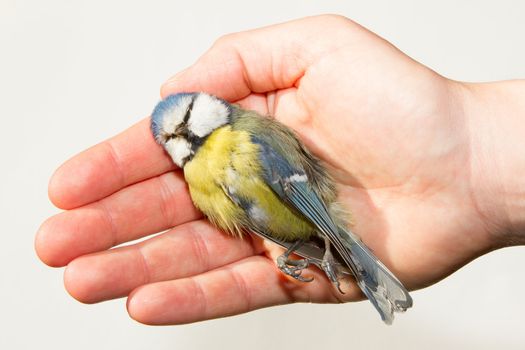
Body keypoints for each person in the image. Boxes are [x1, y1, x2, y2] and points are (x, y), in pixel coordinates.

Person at [34, 15, 525, 325]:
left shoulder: (246, 137)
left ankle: (353, 265)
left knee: (349, 254)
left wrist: (332, 240)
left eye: (185, 124)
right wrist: (302, 249)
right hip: (296, 232)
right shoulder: (196, 176)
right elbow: (252, 218)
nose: (182, 141)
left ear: (205, 106)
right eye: (172, 141)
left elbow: (301, 197)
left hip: (315, 214)